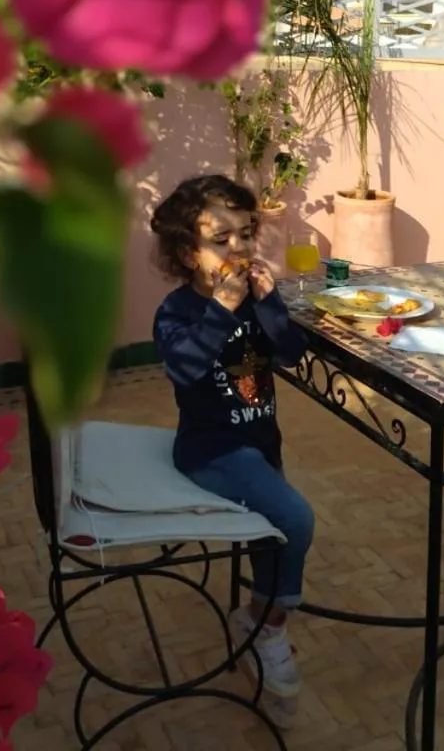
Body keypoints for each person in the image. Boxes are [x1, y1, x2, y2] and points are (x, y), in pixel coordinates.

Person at [151, 174, 313, 720]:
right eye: (221, 240)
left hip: (262, 443)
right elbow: (186, 368)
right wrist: (221, 307)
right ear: (187, 253)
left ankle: (256, 615)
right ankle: (267, 628)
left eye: (246, 235)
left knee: (272, 534)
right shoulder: (177, 311)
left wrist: (269, 305)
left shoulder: (254, 300)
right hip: (211, 450)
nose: (239, 249)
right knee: (295, 517)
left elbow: (291, 352)